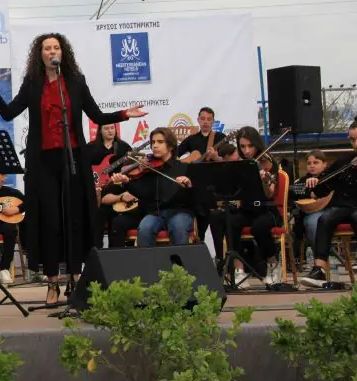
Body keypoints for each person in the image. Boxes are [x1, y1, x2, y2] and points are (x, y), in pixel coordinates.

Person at [0, 33, 146, 306]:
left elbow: (97, 116)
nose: (52, 51)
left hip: (73, 159)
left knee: (74, 219)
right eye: (47, 48)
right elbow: (9, 113)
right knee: (51, 221)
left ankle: (76, 279)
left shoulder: (76, 82)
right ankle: (52, 281)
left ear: (62, 52)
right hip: (43, 162)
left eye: (56, 47)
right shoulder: (33, 83)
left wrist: (124, 114)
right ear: (40, 54)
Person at [301, 116, 357, 287]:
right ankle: (319, 270)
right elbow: (323, 188)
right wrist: (315, 182)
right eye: (352, 140)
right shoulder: (344, 161)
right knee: (325, 218)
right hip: (347, 207)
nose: (356, 144)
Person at [108, 127, 194, 248]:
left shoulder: (184, 168)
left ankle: (179, 261)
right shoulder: (149, 168)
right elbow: (143, 193)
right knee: (145, 228)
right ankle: (148, 261)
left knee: (178, 227)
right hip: (155, 213)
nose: (155, 146)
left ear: (170, 146)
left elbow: (196, 197)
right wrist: (127, 182)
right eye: (153, 142)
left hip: (179, 212)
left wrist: (189, 185)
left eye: (160, 142)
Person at [222, 127, 283, 284]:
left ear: (257, 144)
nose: (247, 151)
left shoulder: (267, 162)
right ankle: (239, 270)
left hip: (267, 209)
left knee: (259, 227)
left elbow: (270, 194)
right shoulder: (240, 165)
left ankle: (273, 263)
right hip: (248, 209)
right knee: (230, 223)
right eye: (242, 146)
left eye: (250, 146)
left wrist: (265, 181)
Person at [177, 108, 226, 244]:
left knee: (214, 220)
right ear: (198, 120)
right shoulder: (191, 139)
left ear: (213, 121)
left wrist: (216, 157)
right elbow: (175, 156)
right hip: (195, 186)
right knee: (198, 222)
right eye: (203, 119)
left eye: (209, 119)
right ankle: (199, 245)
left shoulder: (220, 138)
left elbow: (227, 161)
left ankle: (217, 252)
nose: (205, 122)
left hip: (214, 185)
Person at [86, 123, 134, 245]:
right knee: (96, 221)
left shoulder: (124, 147)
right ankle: (95, 251)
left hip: (117, 191)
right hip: (97, 191)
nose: (110, 131)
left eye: (112, 128)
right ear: (100, 131)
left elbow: (131, 169)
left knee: (116, 222)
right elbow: (83, 168)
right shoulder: (90, 147)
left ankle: (115, 253)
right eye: (106, 128)